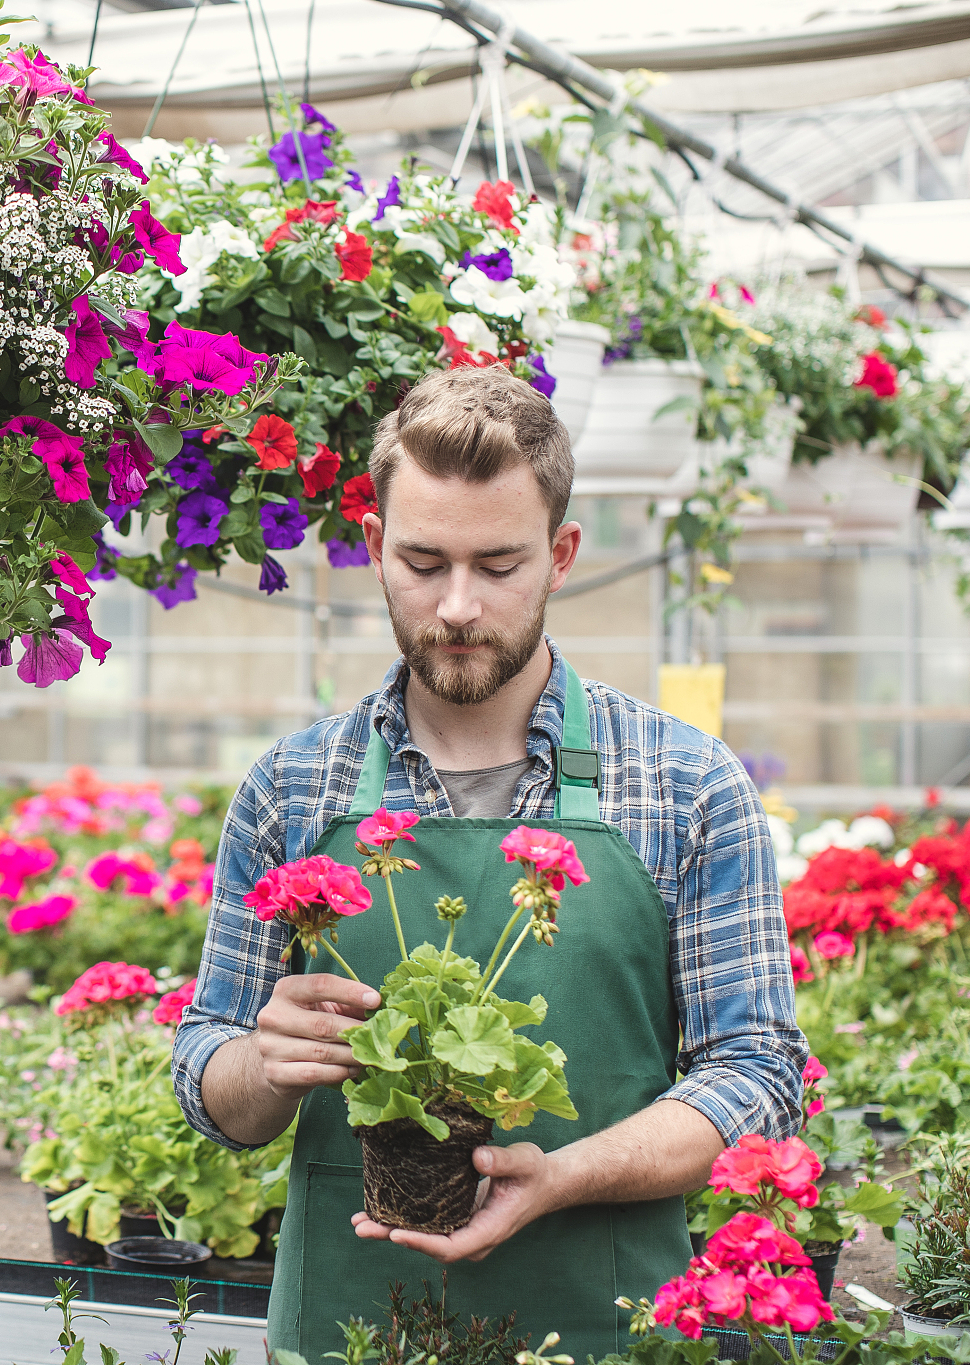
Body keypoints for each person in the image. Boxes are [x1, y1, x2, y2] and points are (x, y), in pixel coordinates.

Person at [174, 367, 804, 1360]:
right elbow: (209, 1077)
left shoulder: (685, 783)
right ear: (375, 549)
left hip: (602, 1325)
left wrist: (566, 1172)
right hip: (349, 1326)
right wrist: (263, 1064)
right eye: (422, 563)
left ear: (557, 556)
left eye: (497, 565)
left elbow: (756, 1074)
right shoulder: (290, 786)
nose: (458, 605)